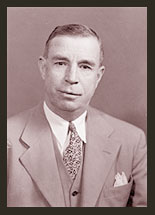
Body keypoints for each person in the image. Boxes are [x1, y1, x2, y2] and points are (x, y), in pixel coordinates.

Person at [7, 24, 147, 207]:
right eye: (60, 63)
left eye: (85, 66)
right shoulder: (8, 138)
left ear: (98, 76)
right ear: (43, 68)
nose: (72, 77)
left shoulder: (132, 141)